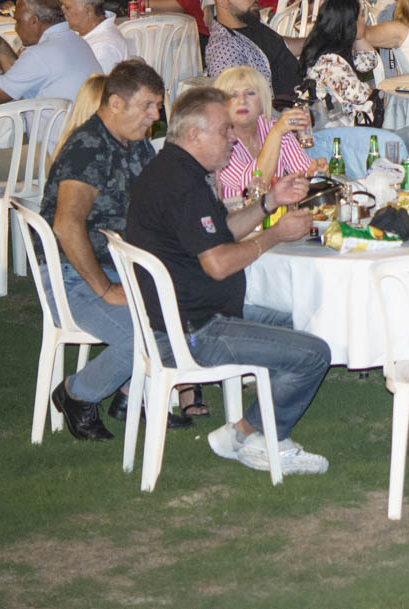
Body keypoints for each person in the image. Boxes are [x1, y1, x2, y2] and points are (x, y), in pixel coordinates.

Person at [124, 87, 331, 475]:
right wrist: (274, 235)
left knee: (310, 318)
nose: (234, 138)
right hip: (194, 332)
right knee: (313, 354)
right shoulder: (183, 186)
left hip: (191, 317)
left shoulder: (177, 170)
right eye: (225, 131)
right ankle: (261, 439)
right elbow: (219, 263)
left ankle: (243, 434)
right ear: (193, 135)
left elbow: (220, 233)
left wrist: (270, 203)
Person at [33, 61, 167, 439]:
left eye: (158, 105)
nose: (156, 116)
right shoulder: (88, 147)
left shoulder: (135, 143)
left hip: (123, 266)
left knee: (185, 312)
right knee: (150, 334)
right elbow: (66, 225)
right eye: (148, 106)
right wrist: (106, 290)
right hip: (73, 274)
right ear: (115, 104)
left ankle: (130, 393)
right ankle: (77, 393)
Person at [0, 0, 104, 106]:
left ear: (34, 21)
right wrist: (0, 46)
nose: (16, 28)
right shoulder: (75, 40)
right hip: (81, 130)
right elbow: (20, 78)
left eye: (18, 21)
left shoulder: (40, 53)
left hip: (56, 135)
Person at [210, 65, 315, 203]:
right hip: (238, 219)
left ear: (263, 99)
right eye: (233, 95)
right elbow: (252, 187)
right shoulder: (217, 140)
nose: (242, 101)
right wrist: (276, 134)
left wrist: (316, 171)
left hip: (277, 215)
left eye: (250, 93)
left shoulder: (271, 125)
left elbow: (303, 171)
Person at [205, 0, 305, 97]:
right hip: (281, 110)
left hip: (303, 92)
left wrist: (318, 41)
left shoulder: (250, 22)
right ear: (223, 2)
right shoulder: (223, 49)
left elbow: (280, 45)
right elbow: (238, 105)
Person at [53, 0, 128, 74]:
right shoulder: (84, 32)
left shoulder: (103, 48)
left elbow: (93, 88)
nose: (62, 11)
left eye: (67, 7)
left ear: (88, 10)